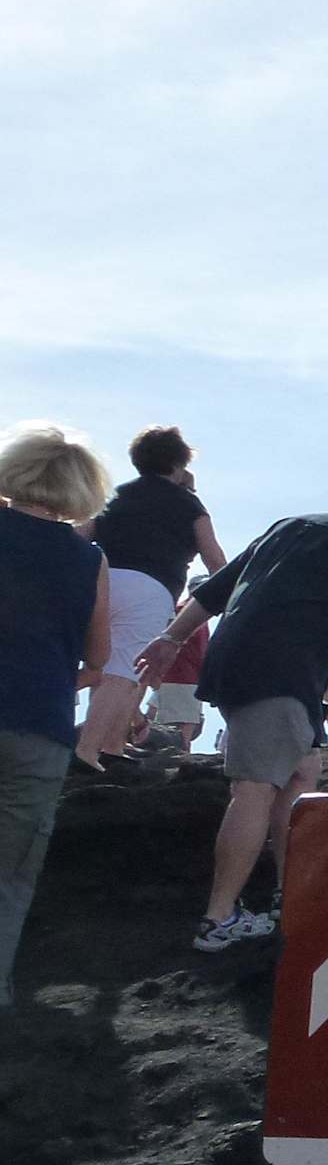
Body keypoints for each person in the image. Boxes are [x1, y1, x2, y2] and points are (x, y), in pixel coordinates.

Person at [135, 478, 328, 953]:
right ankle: (218, 919)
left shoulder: (288, 526)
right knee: (255, 787)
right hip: (279, 670)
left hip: (238, 663)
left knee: (302, 771)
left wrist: (171, 638)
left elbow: (214, 592)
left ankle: (289, 892)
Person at [0, 423, 112, 1012]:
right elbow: (97, 661)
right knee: (11, 872)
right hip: (40, 726)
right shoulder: (89, 559)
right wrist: (50, 683)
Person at [74, 430, 226, 775]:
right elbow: (214, 560)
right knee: (123, 671)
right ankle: (87, 749)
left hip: (101, 578)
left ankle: (112, 745)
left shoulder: (116, 494)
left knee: (106, 663)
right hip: (151, 587)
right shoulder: (189, 505)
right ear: (179, 463)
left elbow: (80, 536)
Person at [146, 601, 211, 753]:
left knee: (173, 730)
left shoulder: (185, 611)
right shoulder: (187, 612)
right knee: (182, 736)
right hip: (184, 678)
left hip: (179, 678)